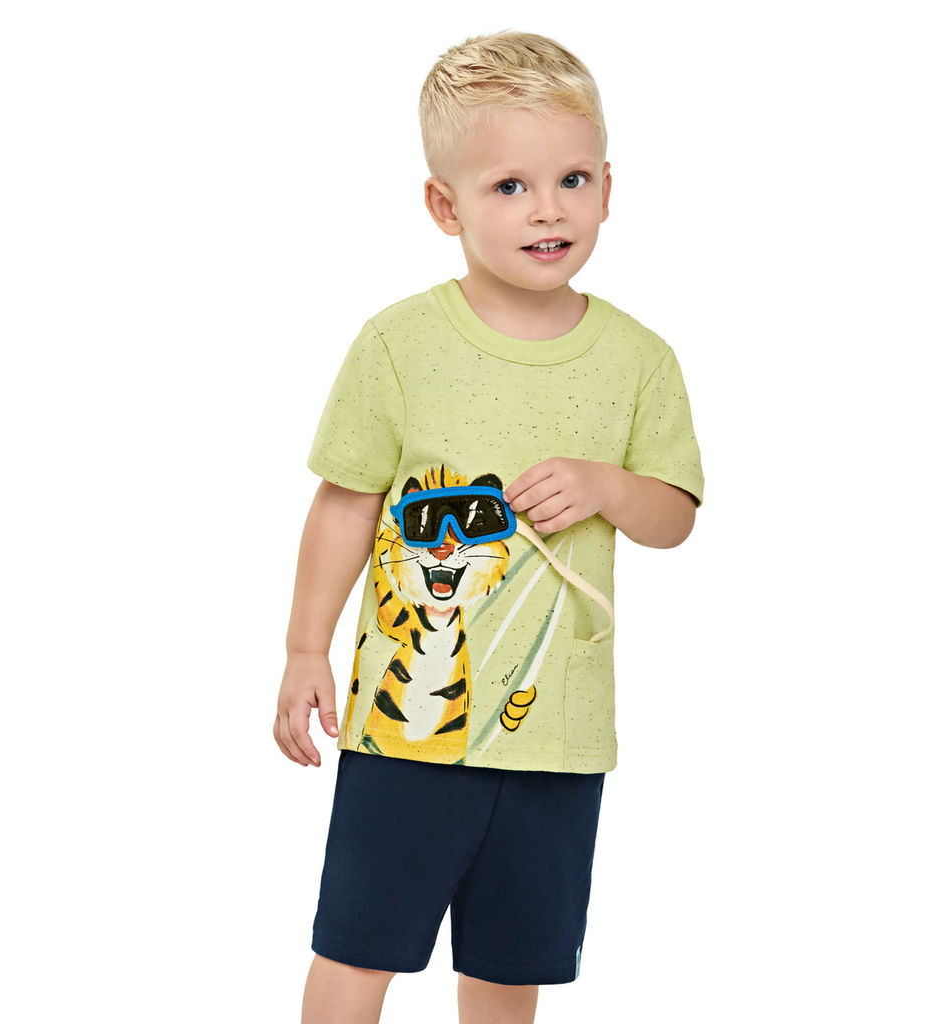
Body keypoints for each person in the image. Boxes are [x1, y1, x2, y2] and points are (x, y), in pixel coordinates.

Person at [275, 30, 705, 1024]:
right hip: (407, 729)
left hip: (557, 737)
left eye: (572, 179)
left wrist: (609, 487)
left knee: (512, 969)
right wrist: (303, 649)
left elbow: (674, 516)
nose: (549, 208)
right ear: (445, 206)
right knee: (357, 947)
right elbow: (346, 502)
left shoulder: (640, 359)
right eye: (510, 186)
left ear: (608, 187)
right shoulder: (399, 345)